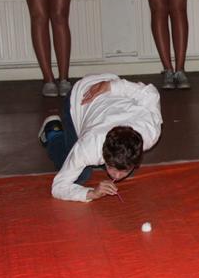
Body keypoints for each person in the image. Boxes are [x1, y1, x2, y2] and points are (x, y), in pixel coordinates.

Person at [38, 73, 162, 202]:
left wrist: (113, 86)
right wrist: (91, 193)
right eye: (111, 167)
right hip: (81, 96)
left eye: (125, 170)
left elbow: (151, 94)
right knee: (82, 176)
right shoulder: (90, 145)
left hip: (110, 95)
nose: (117, 176)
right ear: (103, 152)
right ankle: (53, 133)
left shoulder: (150, 131)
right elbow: (59, 187)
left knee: (120, 163)